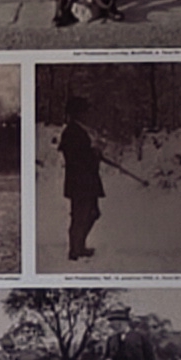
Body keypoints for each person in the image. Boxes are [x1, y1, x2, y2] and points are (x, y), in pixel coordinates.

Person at [55, 94, 108, 262]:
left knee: (92, 213)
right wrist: (94, 154)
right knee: (80, 215)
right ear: (77, 113)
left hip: (87, 180)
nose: (88, 114)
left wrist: (94, 153)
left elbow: (82, 153)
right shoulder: (72, 132)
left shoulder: (79, 130)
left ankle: (79, 246)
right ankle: (75, 249)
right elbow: (75, 158)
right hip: (80, 181)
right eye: (85, 111)